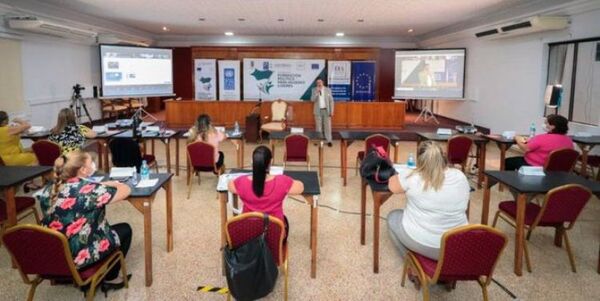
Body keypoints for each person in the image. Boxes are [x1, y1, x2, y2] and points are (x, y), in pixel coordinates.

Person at [35, 151, 132, 292]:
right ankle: (110, 278)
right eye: (90, 162)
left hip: (55, 252)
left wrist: (98, 184)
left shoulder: (50, 188)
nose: (93, 164)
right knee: (125, 229)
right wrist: (111, 183)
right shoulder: (91, 191)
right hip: (79, 256)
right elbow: (126, 190)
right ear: (83, 170)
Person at [387, 141, 470, 260]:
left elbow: (392, 186)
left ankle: (412, 264)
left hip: (424, 242)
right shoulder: (460, 176)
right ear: (443, 157)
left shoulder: (413, 176)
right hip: (456, 244)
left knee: (393, 216)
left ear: (420, 159)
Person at [228, 146, 304, 242]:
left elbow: (230, 185)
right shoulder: (282, 181)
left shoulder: (241, 182)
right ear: (270, 162)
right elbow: (301, 187)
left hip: (248, 234)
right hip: (274, 235)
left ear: (253, 162)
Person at [504, 114, 573, 171]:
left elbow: (526, 148)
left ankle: (510, 183)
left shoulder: (542, 138)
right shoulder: (569, 141)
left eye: (546, 123)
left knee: (507, 162)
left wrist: (517, 138)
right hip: (557, 169)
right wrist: (531, 140)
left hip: (534, 166)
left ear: (553, 126)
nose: (544, 125)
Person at [311, 78, 334, 147]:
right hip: (318, 111)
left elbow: (331, 101)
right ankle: (318, 140)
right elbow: (312, 100)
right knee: (318, 126)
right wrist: (317, 93)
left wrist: (332, 111)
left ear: (323, 82)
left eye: (320, 82)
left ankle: (329, 140)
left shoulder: (328, 90)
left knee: (328, 126)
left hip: (326, 110)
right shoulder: (314, 90)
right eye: (317, 82)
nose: (319, 83)